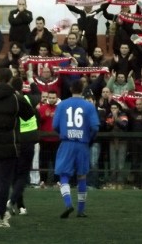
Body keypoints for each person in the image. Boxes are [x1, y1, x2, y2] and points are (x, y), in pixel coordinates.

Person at [0, 68, 35, 228]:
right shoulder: (16, 99)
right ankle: (0, 215)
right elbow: (29, 114)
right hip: (9, 144)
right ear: (10, 80)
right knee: (5, 181)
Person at [53, 79, 100, 218]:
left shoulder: (62, 105)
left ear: (71, 89)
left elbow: (55, 125)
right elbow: (95, 127)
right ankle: (81, 210)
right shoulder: (89, 106)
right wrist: (89, 138)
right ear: (83, 89)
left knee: (64, 175)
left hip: (67, 142)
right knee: (82, 176)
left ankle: (68, 203)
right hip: (82, 144)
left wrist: (64, 132)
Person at [7, 77, 39, 216]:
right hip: (27, 141)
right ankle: (13, 201)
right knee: (22, 175)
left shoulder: (7, 101)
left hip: (12, 140)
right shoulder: (26, 99)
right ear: (22, 87)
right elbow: (38, 94)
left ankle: (20, 206)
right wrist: (31, 80)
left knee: (15, 175)